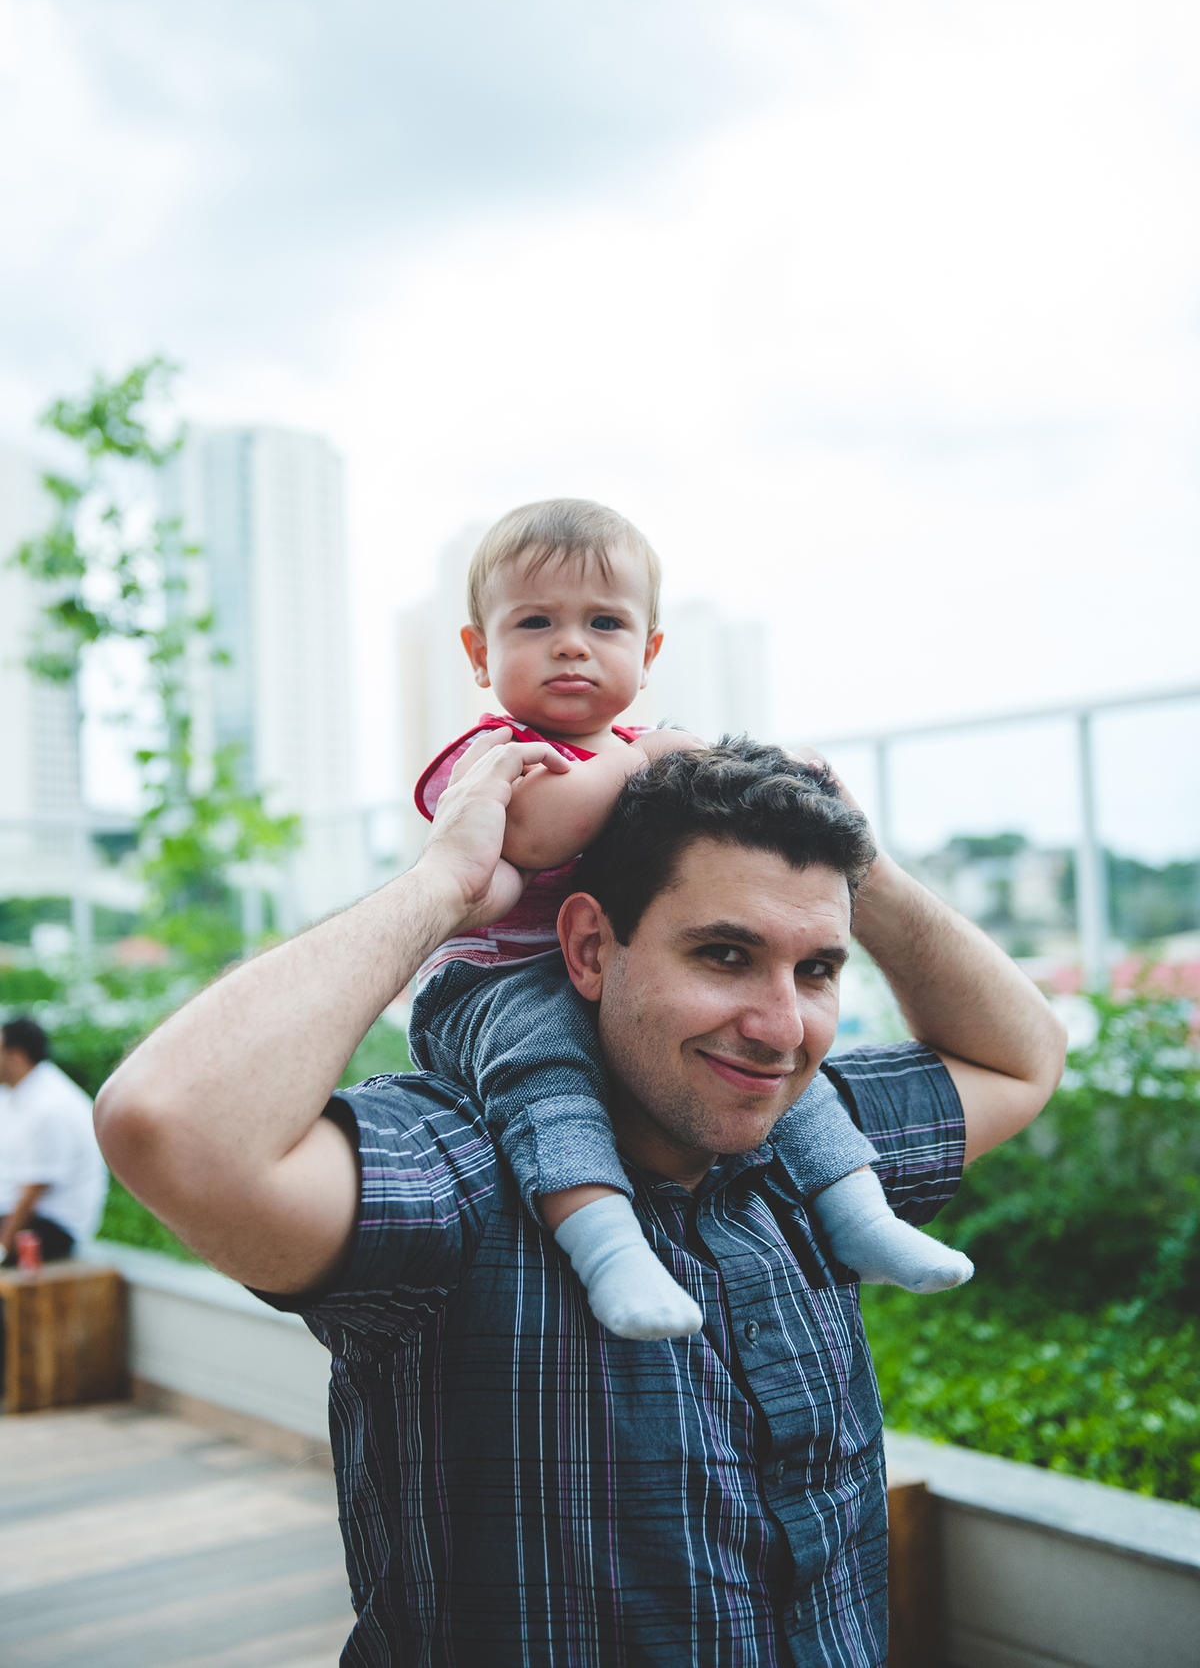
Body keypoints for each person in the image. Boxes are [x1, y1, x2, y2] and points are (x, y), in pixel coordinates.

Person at [94, 731, 1065, 1666]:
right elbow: (169, 1122)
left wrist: (869, 868)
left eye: (816, 968)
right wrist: (445, 888)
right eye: (724, 953)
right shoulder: (458, 1173)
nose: (782, 1028)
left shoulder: (816, 1144)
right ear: (591, 947)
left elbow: (1024, 1055)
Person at [410, 498, 970, 1340]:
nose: (572, 643)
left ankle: (858, 1210)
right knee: (549, 1073)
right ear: (481, 654)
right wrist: (644, 757)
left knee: (783, 1058)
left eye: (605, 621)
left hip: (594, 972)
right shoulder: (491, 751)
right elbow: (536, 826)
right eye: (535, 621)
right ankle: (608, 1246)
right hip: (487, 985)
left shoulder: (640, 749)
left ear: (648, 650)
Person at [0, 1017, 109, 1265]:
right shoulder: (13, 1094)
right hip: (18, 1211)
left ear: (16, 1056)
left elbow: (33, 1192)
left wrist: (2, 1250)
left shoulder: (50, 1106)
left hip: (55, 1226)